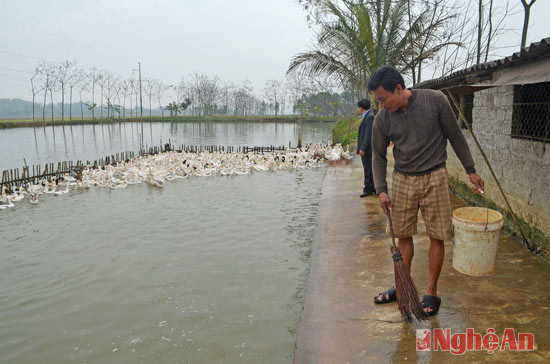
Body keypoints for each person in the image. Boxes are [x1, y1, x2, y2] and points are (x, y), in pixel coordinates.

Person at [368, 66, 484, 316]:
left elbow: (455, 136)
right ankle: (402, 287)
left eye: (383, 99)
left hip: (435, 176)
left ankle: (431, 291)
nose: (381, 105)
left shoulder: (435, 101)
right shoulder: (382, 119)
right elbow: (378, 157)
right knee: (403, 235)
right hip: (402, 179)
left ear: (399, 89)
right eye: (377, 101)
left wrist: (471, 170)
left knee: (437, 235)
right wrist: (381, 190)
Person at [357, 99, 376, 197]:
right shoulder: (368, 116)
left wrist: (363, 148)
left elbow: (368, 135)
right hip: (367, 149)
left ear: (361, 108)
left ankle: (368, 189)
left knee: (368, 169)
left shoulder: (370, 117)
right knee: (369, 168)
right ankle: (372, 187)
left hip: (368, 150)